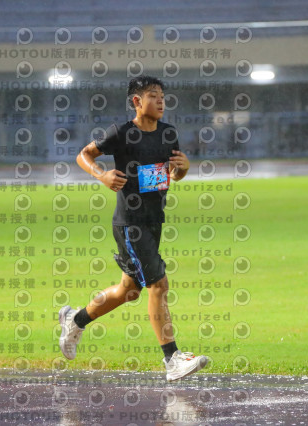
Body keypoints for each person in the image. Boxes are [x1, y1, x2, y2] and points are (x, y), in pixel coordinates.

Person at [58, 75, 209, 381]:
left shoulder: (168, 133)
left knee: (128, 291)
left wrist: (183, 169)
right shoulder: (122, 133)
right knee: (158, 285)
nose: (161, 100)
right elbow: (84, 155)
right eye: (153, 95)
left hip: (155, 220)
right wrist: (102, 175)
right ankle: (172, 359)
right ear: (137, 102)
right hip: (130, 223)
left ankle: (76, 319)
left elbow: (170, 175)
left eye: (162, 95)